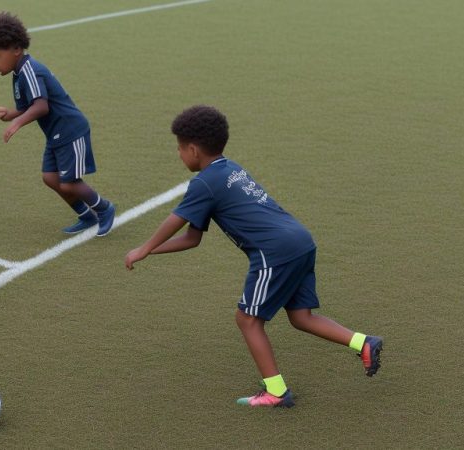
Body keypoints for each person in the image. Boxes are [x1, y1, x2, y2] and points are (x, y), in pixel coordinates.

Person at [125, 105, 383, 407]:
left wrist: (143, 248)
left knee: (247, 319)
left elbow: (175, 220)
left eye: (180, 148)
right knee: (301, 317)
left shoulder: (203, 183)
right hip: (299, 240)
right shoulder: (229, 169)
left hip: (275, 252)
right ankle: (363, 342)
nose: (179, 154)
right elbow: (192, 239)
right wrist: (151, 251)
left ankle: (277, 392)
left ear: (193, 150)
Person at [0, 11, 115, 236]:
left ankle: (104, 209)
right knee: (50, 177)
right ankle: (86, 215)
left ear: (16, 48)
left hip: (70, 129)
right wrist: (10, 114)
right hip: (56, 133)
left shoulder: (30, 70)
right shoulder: (18, 74)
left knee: (68, 182)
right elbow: (27, 106)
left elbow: (41, 107)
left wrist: (17, 123)